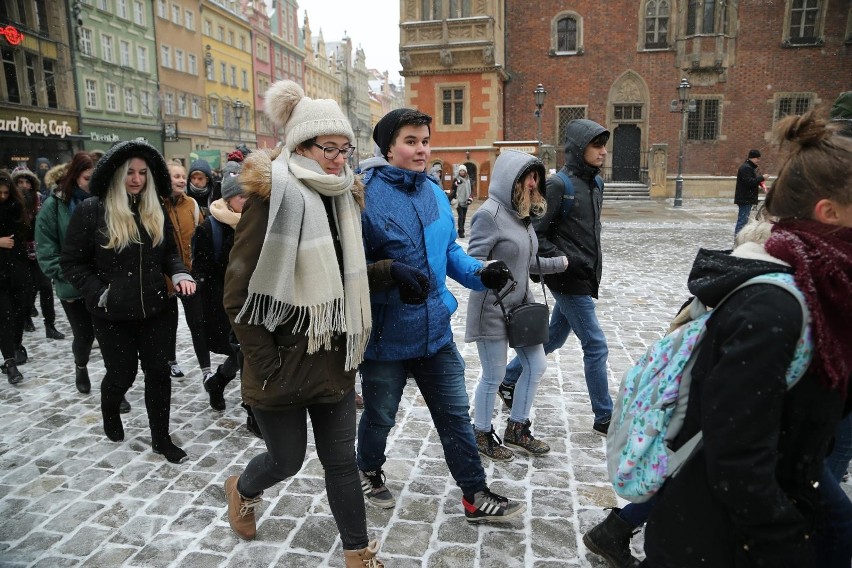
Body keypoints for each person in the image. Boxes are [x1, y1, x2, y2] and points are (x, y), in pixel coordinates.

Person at [639, 111, 852, 568]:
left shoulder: (826, 292)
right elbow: (736, 455)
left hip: (775, 504)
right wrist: (786, 544)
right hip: (717, 543)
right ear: (828, 213)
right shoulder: (773, 306)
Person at [222, 80, 384, 567]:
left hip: (333, 359)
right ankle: (243, 489)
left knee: (341, 464)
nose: (338, 159)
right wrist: (266, 362)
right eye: (328, 149)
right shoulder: (272, 200)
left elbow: (338, 277)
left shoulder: (344, 198)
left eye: (344, 149)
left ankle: (358, 553)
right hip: (282, 364)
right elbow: (237, 295)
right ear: (301, 145)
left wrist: (385, 273)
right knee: (286, 461)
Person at [356, 107, 524, 523]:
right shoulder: (362, 194)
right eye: (410, 141)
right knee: (380, 415)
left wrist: (482, 274)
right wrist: (390, 275)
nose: (421, 149)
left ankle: (474, 494)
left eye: (425, 141)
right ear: (388, 147)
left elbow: (449, 251)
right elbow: (348, 270)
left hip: (435, 331)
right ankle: (367, 468)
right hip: (385, 336)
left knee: (454, 417)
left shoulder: (432, 191)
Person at [61, 140, 196, 464]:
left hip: (156, 309)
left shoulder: (155, 208)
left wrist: (179, 274)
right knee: (122, 375)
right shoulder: (92, 209)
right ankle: (110, 408)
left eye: (142, 173)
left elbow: (168, 254)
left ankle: (161, 439)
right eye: (130, 172)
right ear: (116, 174)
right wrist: (99, 292)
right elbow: (72, 263)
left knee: (158, 374)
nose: (136, 179)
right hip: (112, 314)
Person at [499, 119, 613, 435]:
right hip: (566, 277)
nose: (603, 151)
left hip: (585, 274)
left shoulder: (596, 184)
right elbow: (536, 234)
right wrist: (568, 261)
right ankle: (605, 416)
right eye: (596, 145)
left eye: (604, 145)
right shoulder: (559, 185)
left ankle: (509, 379)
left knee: (555, 336)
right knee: (596, 344)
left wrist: (589, 263)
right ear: (579, 149)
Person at [465, 150, 569, 461]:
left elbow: (528, 264)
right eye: (528, 176)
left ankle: (517, 428)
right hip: (492, 309)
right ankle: (481, 432)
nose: (534, 183)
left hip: (522, 307)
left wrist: (560, 264)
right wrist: (489, 272)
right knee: (494, 375)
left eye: (537, 177)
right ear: (510, 178)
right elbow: (472, 263)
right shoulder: (489, 215)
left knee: (537, 365)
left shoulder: (522, 217)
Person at [35, 152, 118, 397]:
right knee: (84, 337)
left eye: (96, 178)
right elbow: (46, 251)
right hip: (73, 287)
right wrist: (72, 275)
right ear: (74, 177)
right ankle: (80, 366)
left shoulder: (106, 201)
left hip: (103, 284)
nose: (92, 183)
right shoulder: (54, 206)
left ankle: (114, 388)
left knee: (109, 339)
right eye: (87, 178)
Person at [191, 154, 244, 411]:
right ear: (229, 198)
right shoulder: (209, 228)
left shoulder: (255, 223)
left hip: (252, 299)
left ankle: (219, 383)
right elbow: (203, 271)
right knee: (242, 353)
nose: (247, 201)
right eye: (242, 196)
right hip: (223, 302)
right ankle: (252, 407)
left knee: (246, 353)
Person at [163, 161, 210, 382]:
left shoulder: (191, 205)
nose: (182, 180)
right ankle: (171, 361)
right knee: (168, 323)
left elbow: (202, 236)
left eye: (183, 176)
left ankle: (206, 369)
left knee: (197, 322)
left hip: (190, 275)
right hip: (165, 278)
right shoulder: (156, 206)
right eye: (176, 176)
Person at [12, 167, 64, 339]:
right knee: (26, 289)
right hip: (18, 253)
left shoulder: (39, 200)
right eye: (20, 182)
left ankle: (50, 324)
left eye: (27, 182)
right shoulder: (11, 202)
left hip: (37, 250)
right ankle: (26, 318)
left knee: (45, 287)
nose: (24, 186)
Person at [0, 170, 31, 384]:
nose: (2, 196)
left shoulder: (16, 208)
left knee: (22, 310)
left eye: (5, 192)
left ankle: (17, 344)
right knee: (5, 316)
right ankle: (9, 361)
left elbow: (25, 234)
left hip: (18, 267)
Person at [734, 148, 770, 237]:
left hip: (746, 198)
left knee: (743, 221)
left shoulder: (748, 167)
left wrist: (762, 186)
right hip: (745, 199)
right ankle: (737, 240)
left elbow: (750, 183)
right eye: (757, 158)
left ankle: (738, 240)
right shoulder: (746, 168)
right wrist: (762, 177)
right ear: (752, 158)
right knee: (742, 221)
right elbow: (749, 182)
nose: (759, 161)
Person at [453, 164, 472, 237]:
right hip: (459, 201)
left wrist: (470, 198)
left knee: (464, 216)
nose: (462, 172)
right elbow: (453, 188)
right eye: (460, 170)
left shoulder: (468, 180)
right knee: (460, 216)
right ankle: (460, 232)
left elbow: (470, 190)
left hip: (466, 200)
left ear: (465, 171)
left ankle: (462, 230)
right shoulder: (456, 179)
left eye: (463, 170)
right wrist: (456, 184)